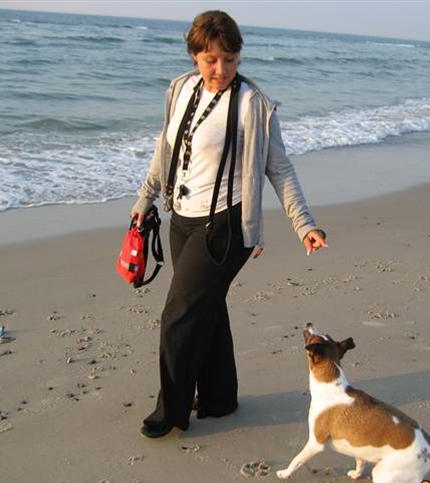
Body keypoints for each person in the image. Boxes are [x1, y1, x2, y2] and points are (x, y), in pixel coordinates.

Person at [130, 10, 327, 439]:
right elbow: (165, 149)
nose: (220, 69)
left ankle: (171, 411)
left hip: (225, 226)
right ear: (194, 56)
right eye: (211, 60)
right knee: (208, 307)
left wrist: (304, 224)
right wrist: (146, 197)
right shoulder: (180, 89)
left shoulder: (252, 104)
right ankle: (219, 399)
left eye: (230, 59)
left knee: (179, 315)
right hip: (182, 220)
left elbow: (279, 168)